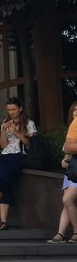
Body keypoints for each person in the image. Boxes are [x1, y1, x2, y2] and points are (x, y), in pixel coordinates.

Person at [0, 96, 37, 230]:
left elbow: (31, 144)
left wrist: (16, 132)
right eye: (9, 110)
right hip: (5, 155)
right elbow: (3, 145)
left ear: (20, 109)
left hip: (19, 155)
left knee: (3, 179)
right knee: (6, 184)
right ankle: (3, 221)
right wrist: (4, 131)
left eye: (14, 109)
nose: (11, 112)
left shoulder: (29, 123)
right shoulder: (6, 123)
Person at [48, 101, 77, 243]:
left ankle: (72, 233)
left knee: (67, 199)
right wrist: (64, 162)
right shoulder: (71, 130)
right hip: (72, 172)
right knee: (66, 201)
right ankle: (61, 233)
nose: (76, 112)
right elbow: (67, 153)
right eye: (74, 110)